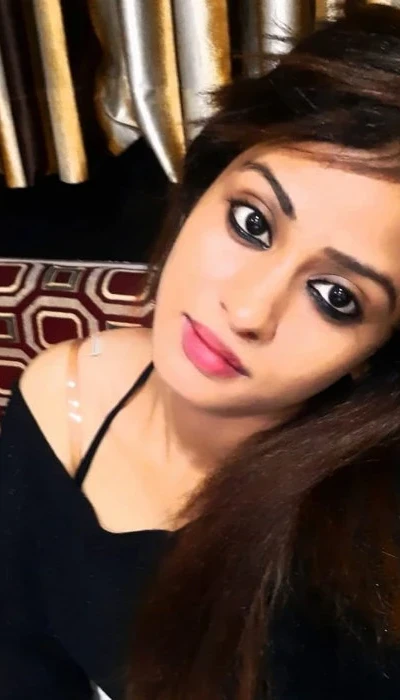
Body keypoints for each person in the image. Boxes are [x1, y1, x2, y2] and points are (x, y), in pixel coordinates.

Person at [3, 5, 400, 699]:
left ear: (376, 351)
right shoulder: (59, 394)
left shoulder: (355, 578)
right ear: (201, 189)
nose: (246, 311)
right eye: (251, 222)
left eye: (336, 297)